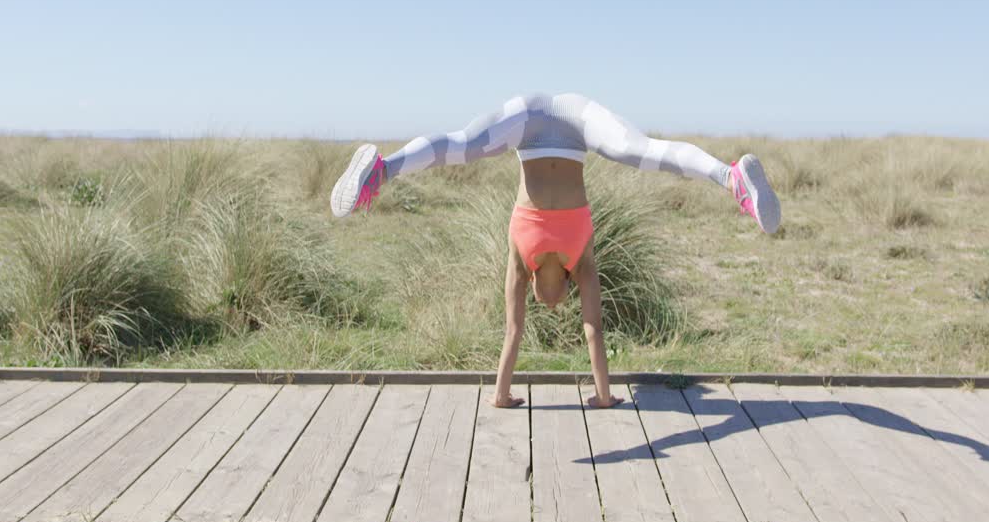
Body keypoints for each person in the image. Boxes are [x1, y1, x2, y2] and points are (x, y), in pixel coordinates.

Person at [331, 93, 780, 409]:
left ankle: (383, 172)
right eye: (559, 303)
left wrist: (504, 396)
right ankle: (730, 179)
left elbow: (523, 332)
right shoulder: (574, 261)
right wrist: (601, 397)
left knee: (467, 146)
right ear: (564, 285)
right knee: (636, 150)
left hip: (532, 120)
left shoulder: (535, 262)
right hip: (574, 117)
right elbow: (585, 331)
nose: (551, 305)